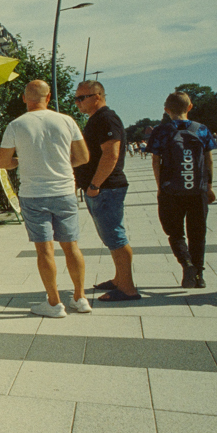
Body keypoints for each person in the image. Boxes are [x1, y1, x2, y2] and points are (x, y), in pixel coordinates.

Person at [0, 79, 91, 318]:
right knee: (71, 246)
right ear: (48, 98)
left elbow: (3, 162)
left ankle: (54, 303)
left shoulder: (16, 125)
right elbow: (83, 157)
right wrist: (60, 163)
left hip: (34, 194)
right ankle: (80, 297)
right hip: (64, 190)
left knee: (45, 250)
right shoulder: (67, 121)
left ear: (24, 98)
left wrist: (21, 162)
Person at [72, 80, 139, 300]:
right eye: (76, 98)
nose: (78, 102)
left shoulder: (106, 119)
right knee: (110, 236)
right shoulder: (97, 119)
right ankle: (120, 279)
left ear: (97, 96)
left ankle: (127, 288)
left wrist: (95, 185)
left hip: (106, 188)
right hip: (101, 188)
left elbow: (111, 154)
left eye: (82, 98)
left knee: (115, 237)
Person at [147, 92, 217, 288]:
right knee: (198, 233)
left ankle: (187, 264)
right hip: (197, 189)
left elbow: (155, 161)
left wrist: (159, 187)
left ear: (166, 110)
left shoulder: (161, 131)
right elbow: (209, 160)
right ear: (190, 107)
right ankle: (199, 275)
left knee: (175, 233)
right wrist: (209, 186)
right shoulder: (201, 129)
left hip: (171, 190)